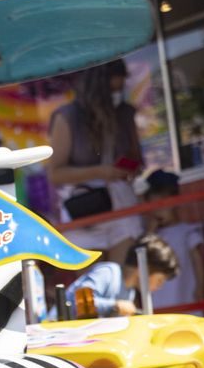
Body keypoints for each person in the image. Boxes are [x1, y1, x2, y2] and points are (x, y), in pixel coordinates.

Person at [48, 59, 143, 263]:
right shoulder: (67, 117)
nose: (117, 95)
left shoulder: (125, 113)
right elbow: (55, 173)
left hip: (122, 205)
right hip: (84, 207)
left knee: (122, 281)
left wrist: (126, 167)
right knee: (91, 286)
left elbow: (138, 160)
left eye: (120, 88)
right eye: (112, 89)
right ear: (98, 85)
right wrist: (100, 172)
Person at [63, 234, 178, 318]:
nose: (160, 286)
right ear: (143, 268)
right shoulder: (108, 272)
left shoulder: (129, 294)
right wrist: (115, 305)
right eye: (159, 280)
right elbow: (78, 302)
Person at [143, 170, 204, 314]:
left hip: (185, 293)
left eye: (163, 206)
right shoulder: (150, 236)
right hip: (161, 299)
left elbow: (197, 261)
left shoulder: (186, 231)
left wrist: (200, 287)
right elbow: (140, 259)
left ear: (175, 203)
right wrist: (150, 232)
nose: (159, 212)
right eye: (154, 207)